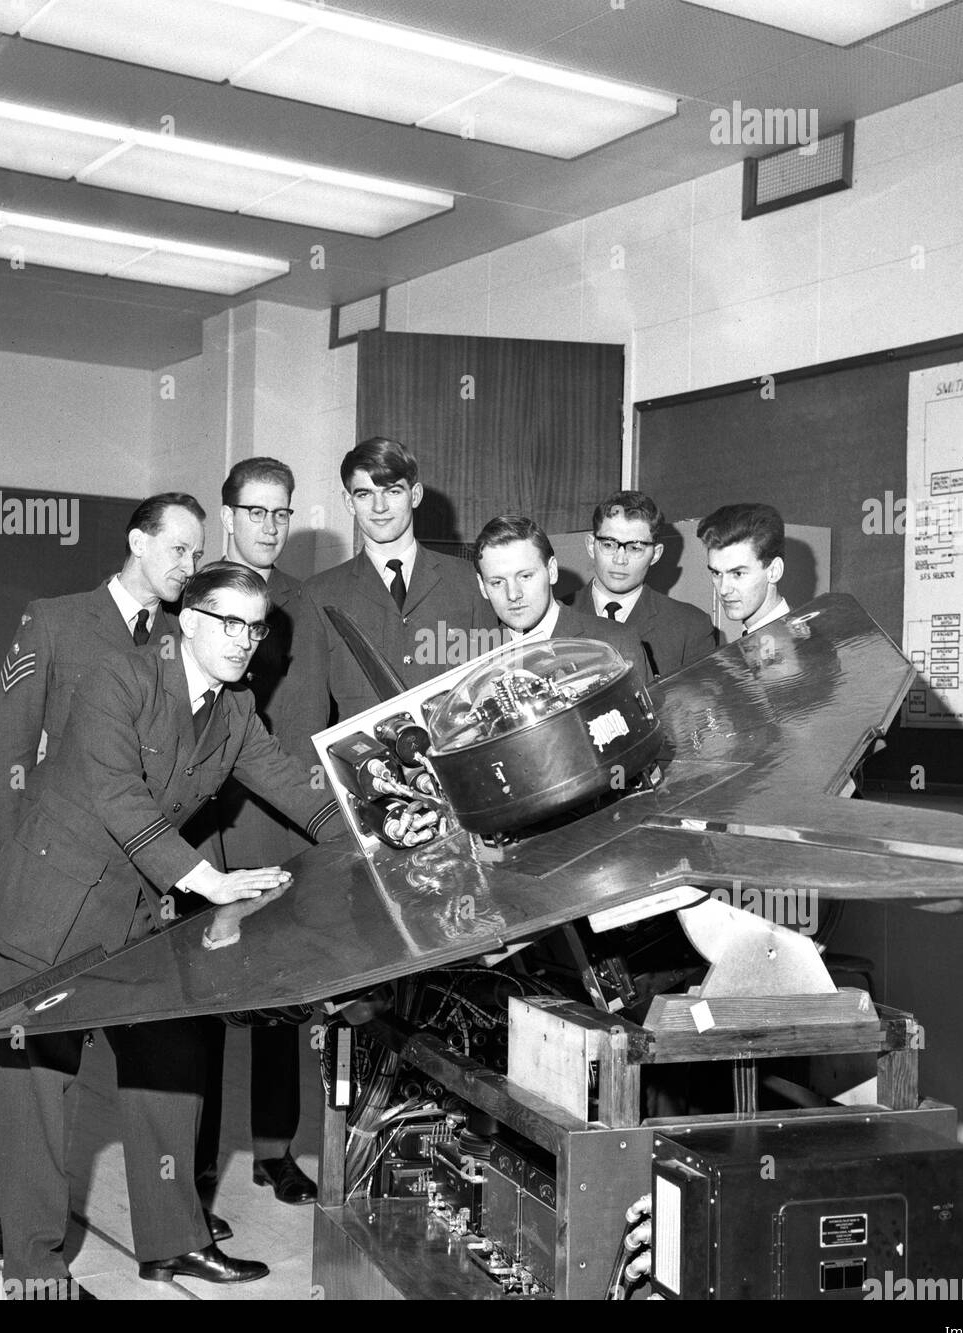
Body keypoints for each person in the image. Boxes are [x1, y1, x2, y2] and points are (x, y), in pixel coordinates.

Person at [0, 561, 345, 1294]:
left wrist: (364, 836)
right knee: (41, 1088)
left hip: (137, 915)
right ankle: (34, 1267)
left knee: (171, 1066)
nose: (244, 641)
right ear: (191, 621)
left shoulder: (235, 711)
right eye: (229, 623)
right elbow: (117, 796)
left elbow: (293, 789)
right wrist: (206, 880)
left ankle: (172, 1242)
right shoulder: (120, 679)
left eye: (256, 625)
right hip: (53, 907)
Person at [0, 492, 229, 1264]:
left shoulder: (191, 638)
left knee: (158, 1064)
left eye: (195, 551)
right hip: (61, 885)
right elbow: (6, 753)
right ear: (137, 543)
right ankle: (4, 1216)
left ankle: (170, 1236)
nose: (190, 564)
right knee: (33, 1060)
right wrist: (32, 871)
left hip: (149, 895)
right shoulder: (55, 621)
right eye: (178, 549)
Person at [206, 457, 317, 1206]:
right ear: (229, 516)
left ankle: (275, 1152)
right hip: (210, 835)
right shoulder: (198, 596)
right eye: (255, 513)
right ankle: (194, 1171)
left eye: (281, 514)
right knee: (203, 1017)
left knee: (280, 1009)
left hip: (284, 825)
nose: (269, 527)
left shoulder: (308, 603)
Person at [270, 436, 497, 762]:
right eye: (365, 494)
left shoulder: (469, 582)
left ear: (414, 495)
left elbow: (489, 697)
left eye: (392, 491)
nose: (379, 508)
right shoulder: (320, 594)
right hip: (369, 789)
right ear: (349, 502)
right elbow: (305, 720)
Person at [471, 513, 651, 682]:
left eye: (525, 576)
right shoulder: (475, 658)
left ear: (552, 570)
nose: (513, 594)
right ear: (482, 586)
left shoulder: (614, 643)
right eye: (497, 582)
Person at [568, 490, 716, 677]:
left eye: (635, 548)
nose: (619, 559)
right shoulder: (555, 615)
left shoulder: (690, 626)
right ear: (591, 546)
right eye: (608, 545)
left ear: (655, 554)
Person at [696, 502, 789, 635]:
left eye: (738, 573)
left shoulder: (805, 648)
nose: (723, 590)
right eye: (716, 573)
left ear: (774, 571)